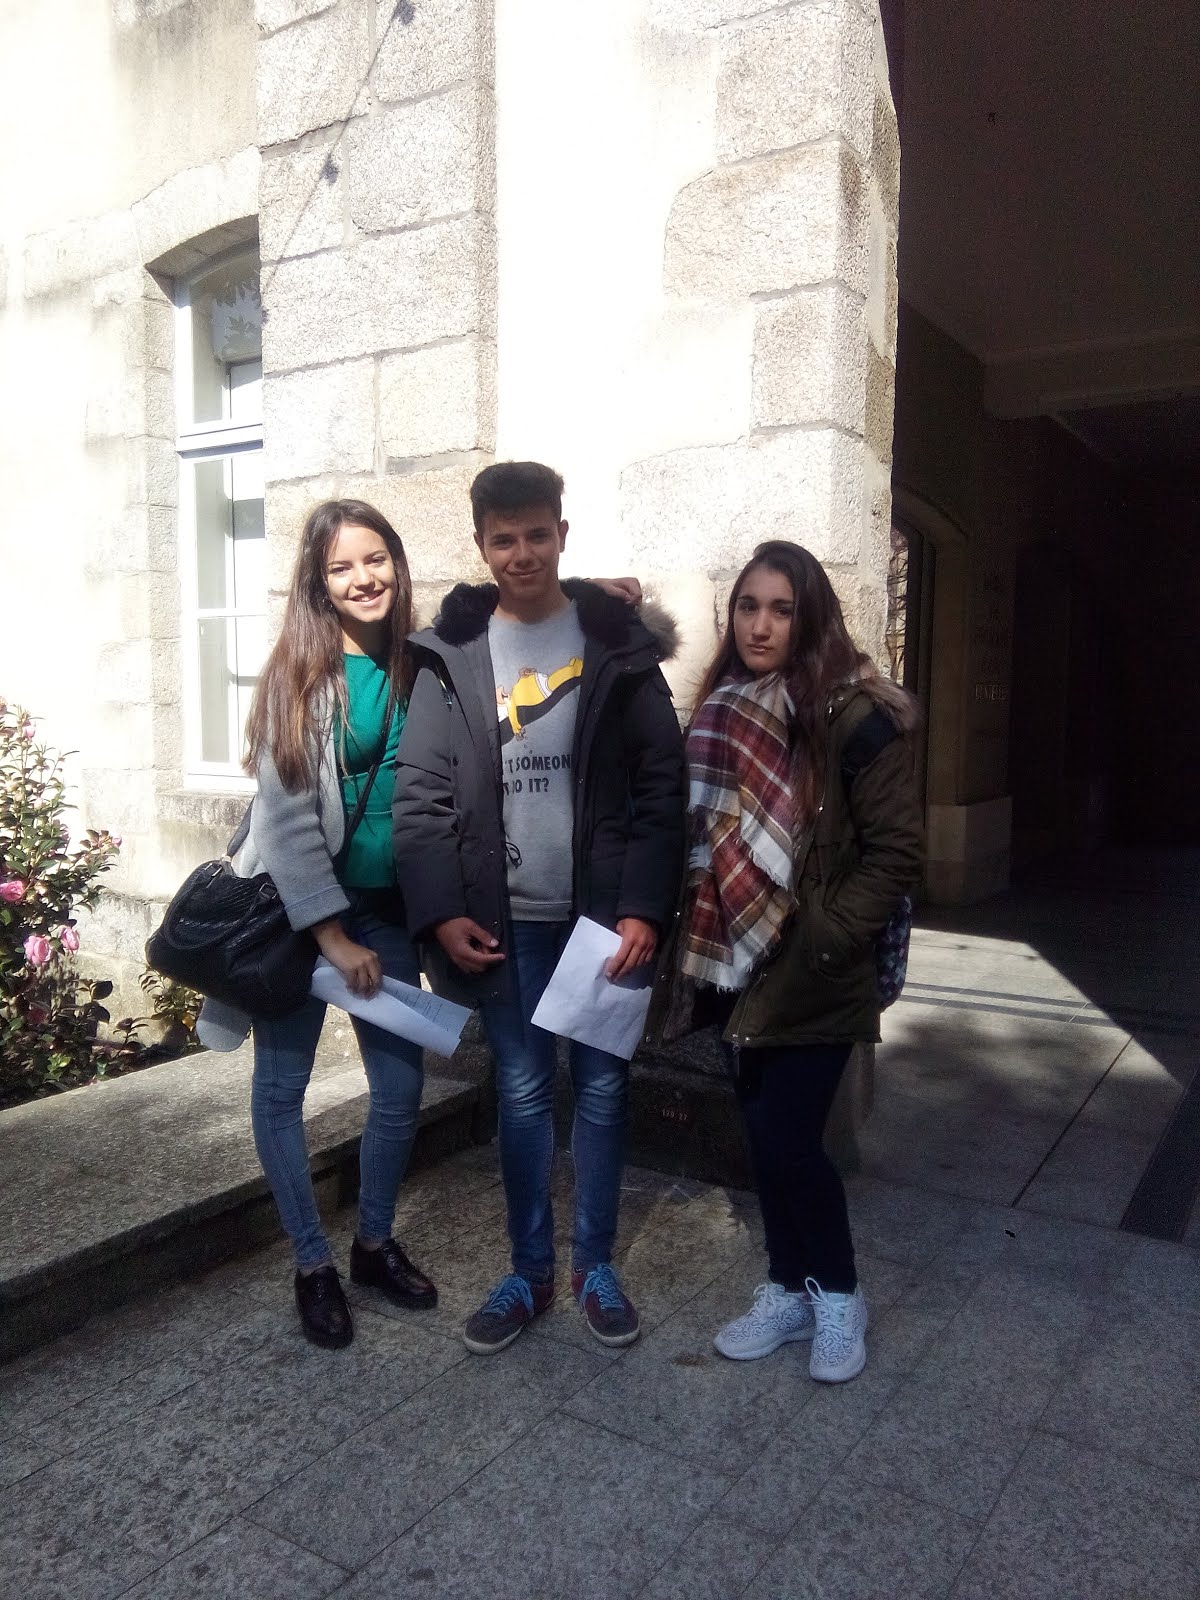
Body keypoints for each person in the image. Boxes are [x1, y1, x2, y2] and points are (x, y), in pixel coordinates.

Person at [393, 460, 685, 1355]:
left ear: (563, 532)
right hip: (502, 919)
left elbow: (660, 786)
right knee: (521, 1093)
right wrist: (442, 911)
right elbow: (421, 795)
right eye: (503, 539)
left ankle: (595, 1266)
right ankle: (530, 1273)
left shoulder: (615, 644)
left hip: (600, 917)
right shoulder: (452, 656)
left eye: (536, 534)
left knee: (601, 1088)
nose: (521, 553)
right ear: (481, 546)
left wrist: (644, 907)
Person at [654, 540, 923, 1383]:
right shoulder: (721, 705)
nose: (761, 626)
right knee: (764, 1139)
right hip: (735, 957)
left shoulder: (855, 714)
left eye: (781, 609)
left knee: (791, 1141)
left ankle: (838, 1293)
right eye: (748, 607)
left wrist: (827, 937)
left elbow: (896, 851)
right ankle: (786, 1286)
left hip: (813, 963)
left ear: (811, 619)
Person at [197, 499, 438, 1349]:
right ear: (319, 582)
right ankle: (312, 1262)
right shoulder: (299, 676)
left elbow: (505, 601)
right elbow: (288, 821)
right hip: (301, 917)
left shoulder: (420, 658)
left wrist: (602, 599)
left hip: (389, 910)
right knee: (280, 1090)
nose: (363, 578)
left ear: (397, 563)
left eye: (375, 559)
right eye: (342, 567)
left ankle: (372, 1244)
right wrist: (332, 935)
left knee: (401, 1092)